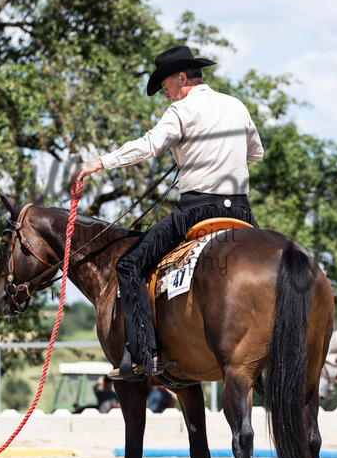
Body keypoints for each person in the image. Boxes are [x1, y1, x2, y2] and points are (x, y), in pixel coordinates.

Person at [71, 45, 263, 381]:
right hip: (242, 213)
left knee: (128, 264)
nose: (166, 95)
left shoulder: (181, 111)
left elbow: (148, 145)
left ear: (182, 78)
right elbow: (255, 154)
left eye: (166, 87)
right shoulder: (236, 105)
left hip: (198, 210)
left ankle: (145, 356)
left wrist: (98, 163)